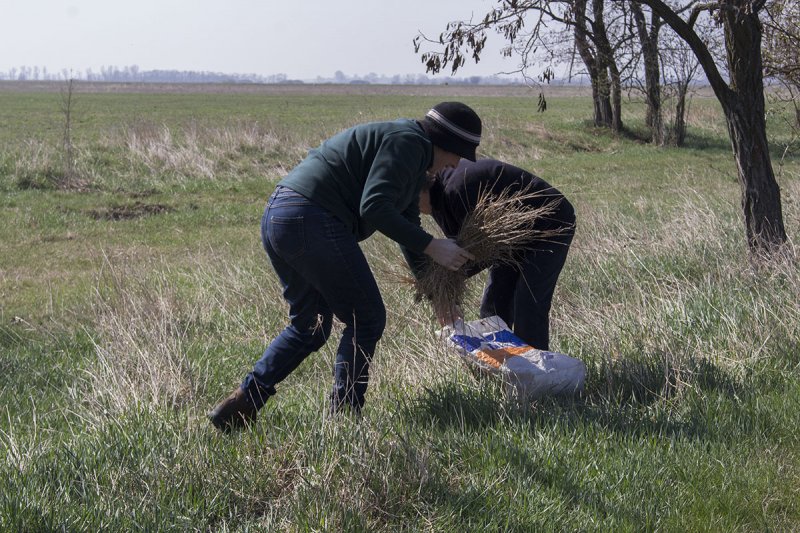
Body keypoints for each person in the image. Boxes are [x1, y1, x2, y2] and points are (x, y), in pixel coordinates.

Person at [208, 102, 482, 432]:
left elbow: (406, 219)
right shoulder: (410, 143)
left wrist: (433, 287)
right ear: (445, 143)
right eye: (458, 155)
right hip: (311, 218)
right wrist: (434, 246)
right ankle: (344, 418)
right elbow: (375, 206)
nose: (454, 165)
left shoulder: (410, 151)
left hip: (281, 215)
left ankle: (243, 403)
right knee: (366, 317)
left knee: (310, 325)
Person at [417, 158, 575, 351]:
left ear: (419, 189)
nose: (412, 209)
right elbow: (466, 248)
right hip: (511, 238)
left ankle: (537, 374)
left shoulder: (457, 190)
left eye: (410, 201)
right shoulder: (437, 198)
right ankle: (504, 363)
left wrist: (445, 283)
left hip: (550, 225)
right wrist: (444, 292)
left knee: (528, 304)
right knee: (493, 305)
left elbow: (475, 252)